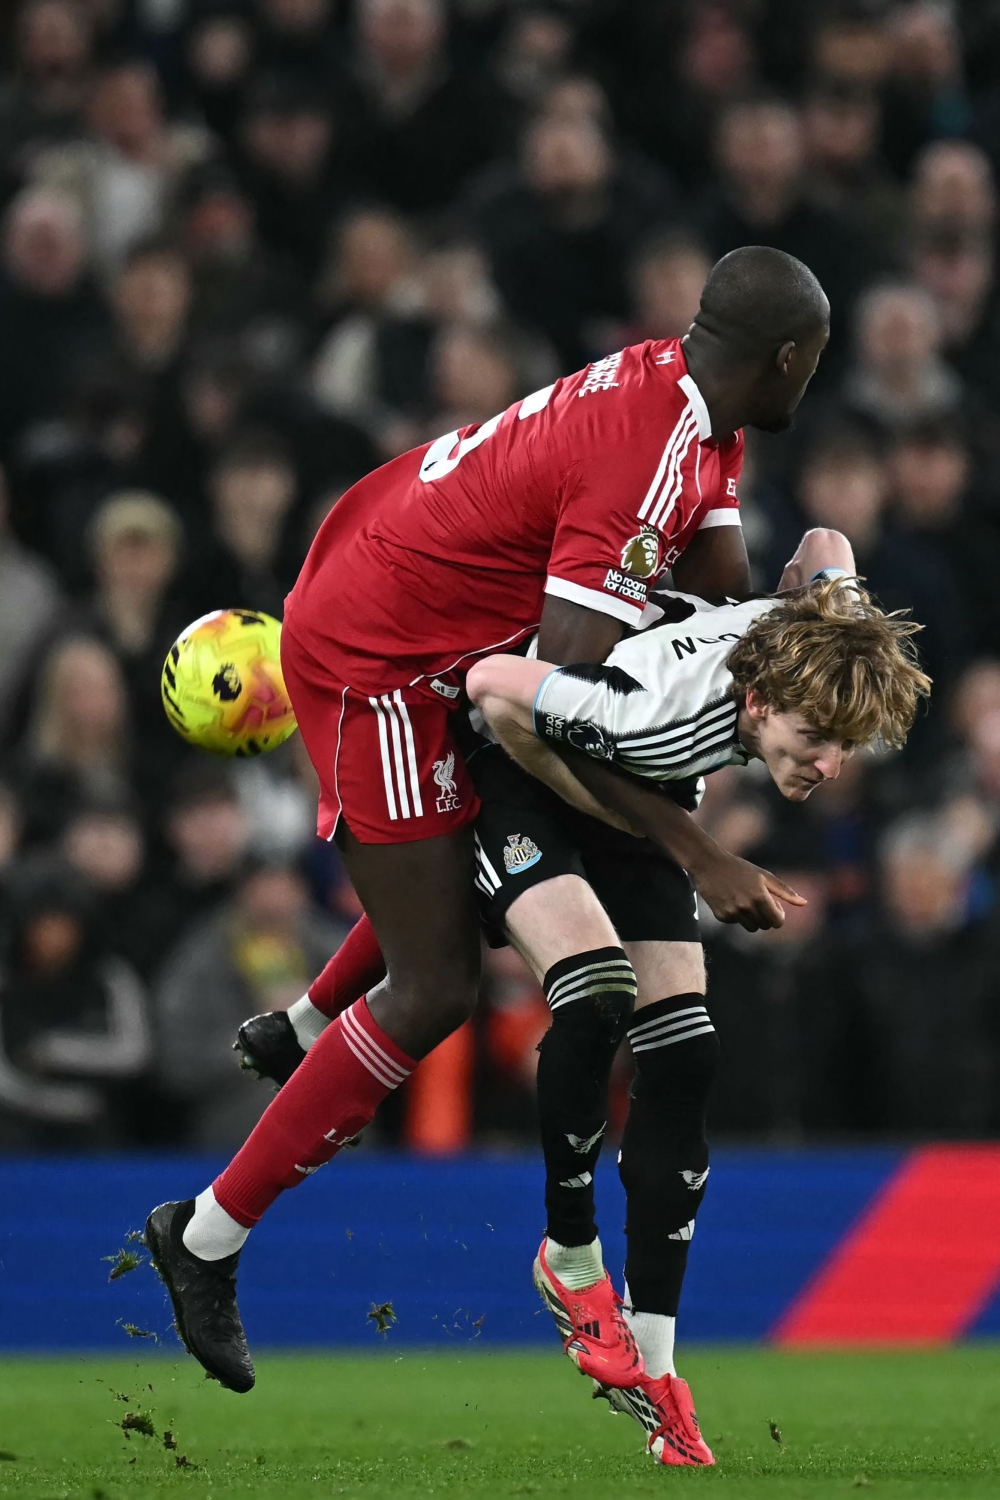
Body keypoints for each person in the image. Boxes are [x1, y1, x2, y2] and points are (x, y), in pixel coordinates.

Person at [142, 245, 830, 1402]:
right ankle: (204, 1234)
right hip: (385, 663)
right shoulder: (648, 459)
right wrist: (695, 847)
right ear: (789, 359)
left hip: (410, 588)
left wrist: (805, 634)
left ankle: (311, 1025)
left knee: (471, 866)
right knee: (436, 988)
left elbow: (713, 599)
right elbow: (553, 714)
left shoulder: (695, 413)